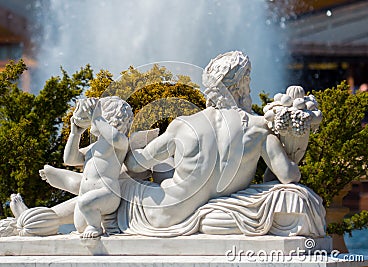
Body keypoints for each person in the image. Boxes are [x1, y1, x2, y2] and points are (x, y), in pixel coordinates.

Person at [121, 51, 301, 232]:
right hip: (223, 211)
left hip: (167, 213)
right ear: (241, 84)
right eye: (248, 79)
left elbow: (135, 165)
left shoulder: (183, 125)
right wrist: (295, 147)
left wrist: (132, 146)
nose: (250, 86)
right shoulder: (259, 128)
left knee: (148, 172)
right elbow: (288, 176)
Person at [40, 96, 133, 238]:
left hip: (107, 193)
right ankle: (95, 224)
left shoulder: (120, 142)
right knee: (80, 226)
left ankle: (97, 227)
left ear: (108, 117)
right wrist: (74, 134)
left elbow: (113, 137)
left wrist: (95, 117)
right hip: (86, 195)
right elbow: (69, 159)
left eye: (98, 114)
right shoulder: (93, 147)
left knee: (85, 203)